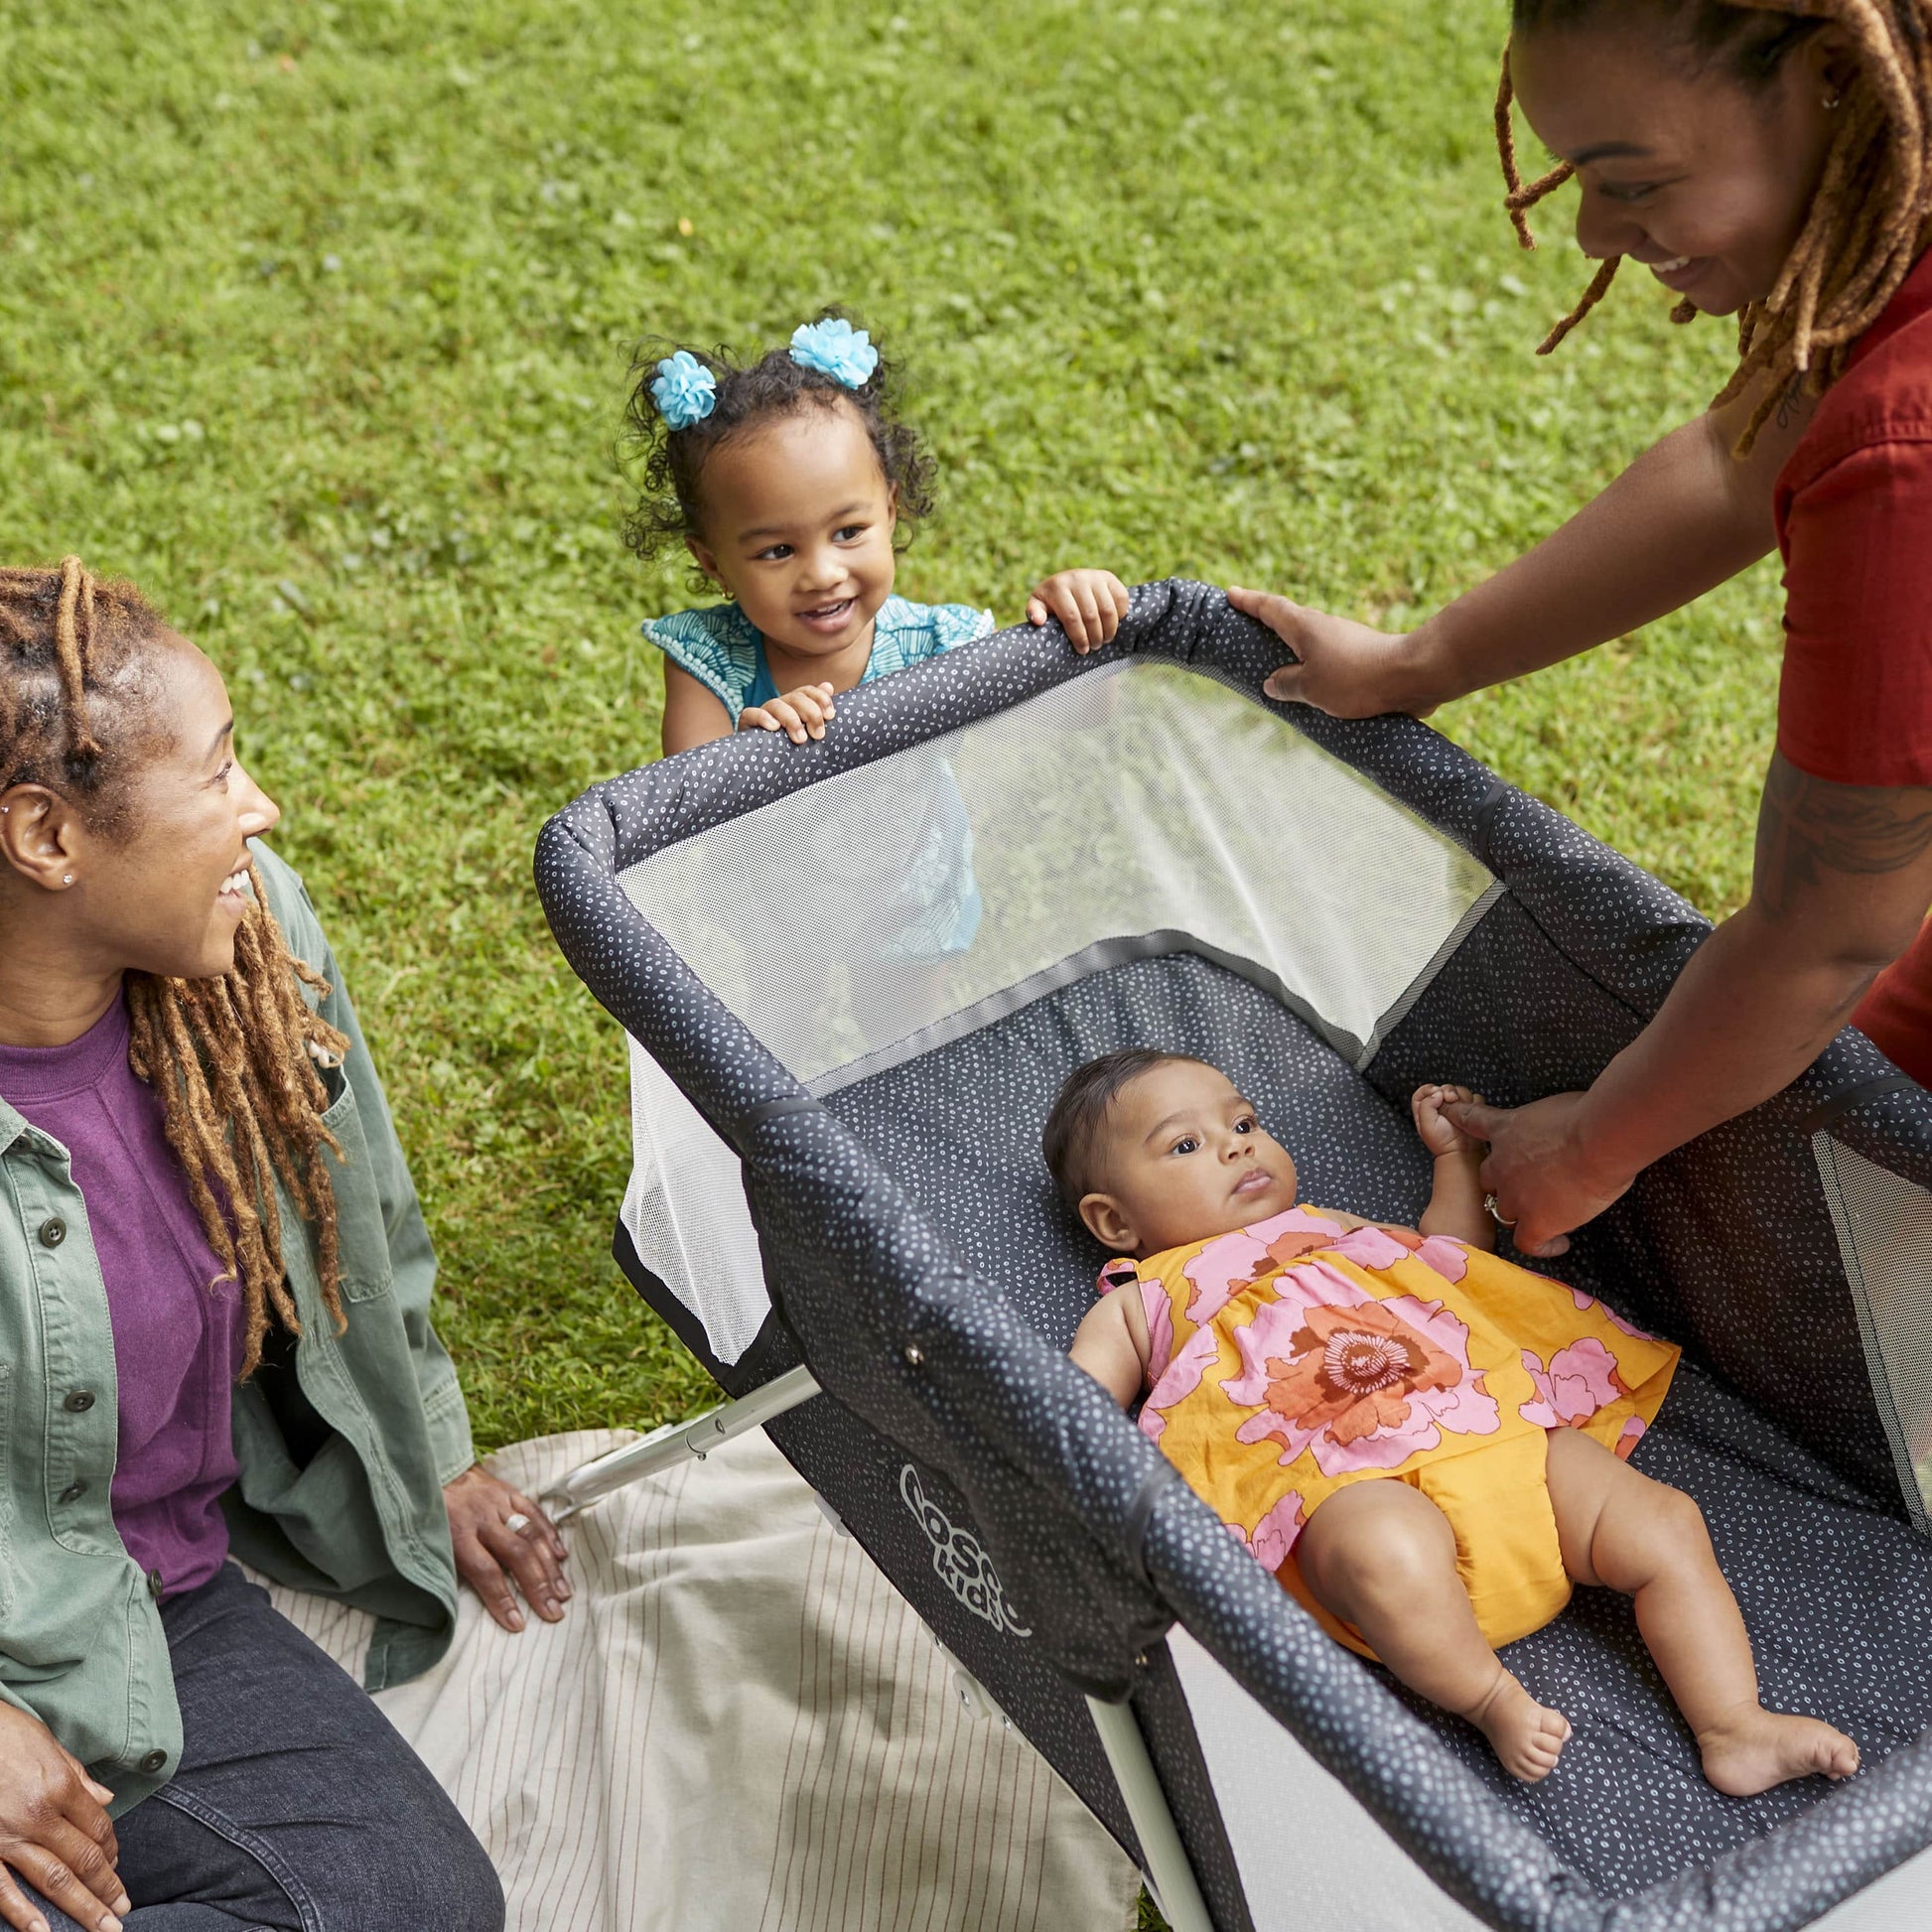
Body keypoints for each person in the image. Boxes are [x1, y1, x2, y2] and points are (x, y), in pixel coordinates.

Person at [1228, 0, 1932, 1259]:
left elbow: (1824, 929)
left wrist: (1593, 1147)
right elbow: (1736, 458)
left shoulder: (1903, 461)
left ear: (1833, 75)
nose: (1592, 231)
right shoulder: (1891, 249)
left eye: (1629, 179)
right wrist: (1418, 662)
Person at [0, 561, 564, 1932]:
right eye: (219, 773)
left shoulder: (244, 939)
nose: (259, 808)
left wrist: (425, 1446)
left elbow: (360, 1205)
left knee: (419, 1903)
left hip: (149, 1595)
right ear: (47, 834)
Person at [1053, 1049, 1859, 1791]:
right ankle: (1489, 1697)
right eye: (1185, 1147)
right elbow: (1075, 1410)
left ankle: (1734, 1723)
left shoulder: (1330, 1230)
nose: (1236, 1146)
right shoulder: (1142, 1300)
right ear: (1116, 1223)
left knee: (1664, 1521)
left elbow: (1450, 1255)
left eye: (1242, 1122)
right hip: (1345, 1489)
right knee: (1382, 1551)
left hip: (1498, 1442)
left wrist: (1454, 1159)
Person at [624, 314, 1130, 754]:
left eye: (847, 531)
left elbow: (1080, 714)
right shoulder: (707, 664)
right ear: (714, 563)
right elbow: (691, 833)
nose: (823, 574)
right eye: (778, 550)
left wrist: (1083, 625)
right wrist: (750, 753)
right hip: (774, 868)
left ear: (889, 512)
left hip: (922, 869)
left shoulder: (933, 649)